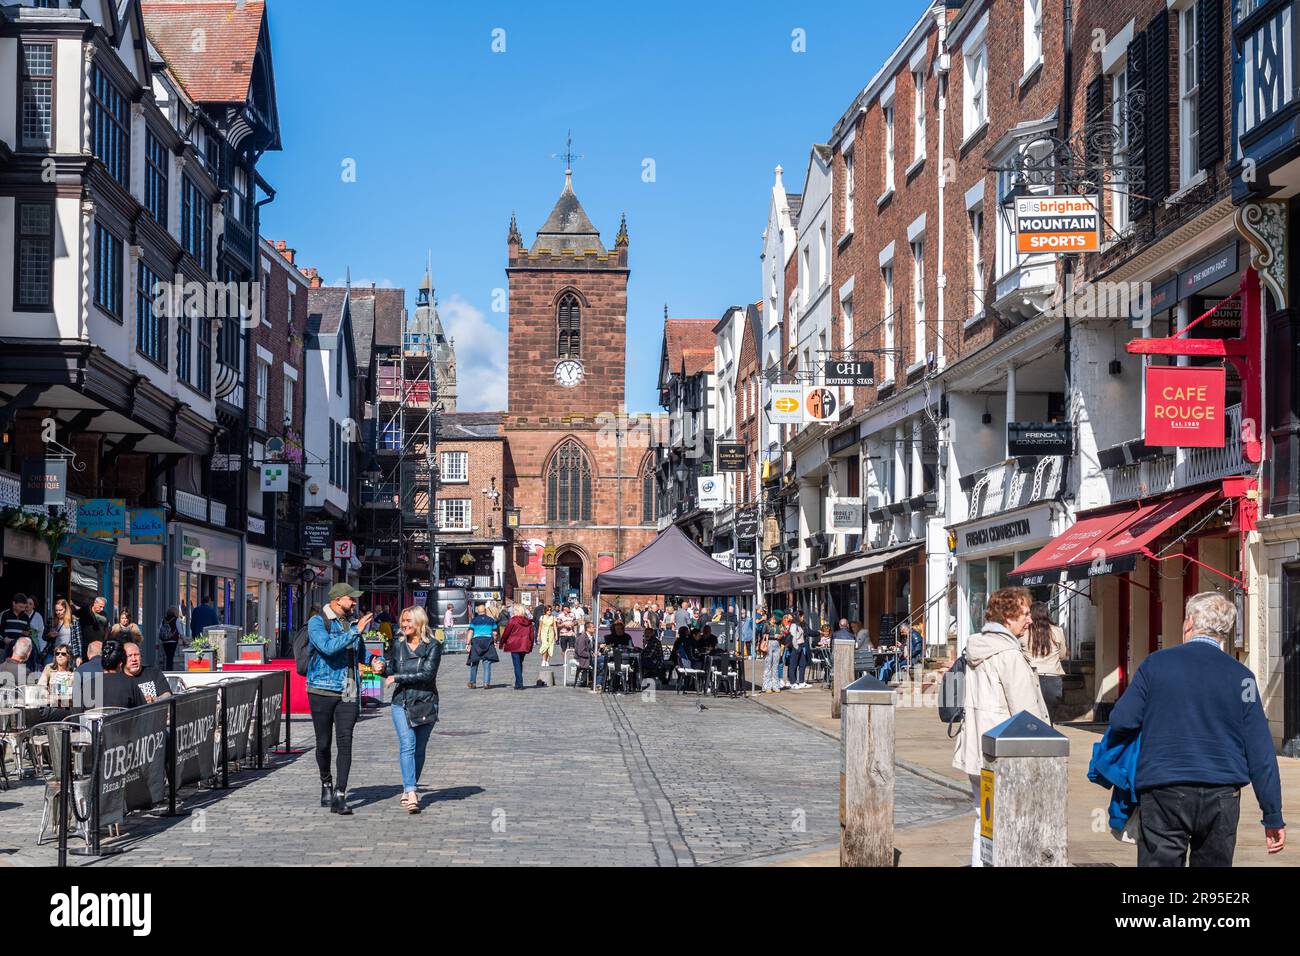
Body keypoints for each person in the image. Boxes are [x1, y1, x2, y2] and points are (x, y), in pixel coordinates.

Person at [1108, 592, 1285, 866]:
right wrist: (1272, 814)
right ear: (1225, 631)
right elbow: (1261, 752)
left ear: (1190, 622)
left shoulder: (1156, 665)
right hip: (1222, 794)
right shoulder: (1243, 678)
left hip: (1164, 788)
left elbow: (1121, 720)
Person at [952, 586, 1048, 867]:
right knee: (1012, 820)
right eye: (1025, 613)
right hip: (1007, 755)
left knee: (985, 818)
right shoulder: (1008, 654)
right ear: (1008, 615)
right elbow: (1027, 717)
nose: (1030, 620)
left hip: (978, 750)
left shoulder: (976, 647)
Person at [306, 583, 383, 816]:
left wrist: (373, 661)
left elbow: (357, 651)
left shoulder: (350, 624)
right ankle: (326, 782)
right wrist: (355, 630)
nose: (354, 603)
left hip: (349, 690)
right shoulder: (318, 622)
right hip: (321, 689)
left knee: (346, 742)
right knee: (323, 743)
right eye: (351, 599)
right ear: (338, 600)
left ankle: (340, 793)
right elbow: (328, 648)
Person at [385, 605, 443, 813]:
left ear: (419, 622)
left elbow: (428, 675)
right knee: (407, 744)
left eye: (409, 621)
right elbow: (392, 669)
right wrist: (382, 668)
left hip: (425, 701)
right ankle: (411, 791)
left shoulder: (433, 646)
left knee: (419, 749)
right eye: (403, 621)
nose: (404, 624)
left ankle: (409, 785)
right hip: (401, 702)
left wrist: (396, 677)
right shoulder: (398, 645)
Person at [1023, 602, 1069, 724]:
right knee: (1048, 720)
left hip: (1030, 677)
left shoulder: (1025, 632)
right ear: (1047, 614)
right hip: (1052, 678)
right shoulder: (1057, 631)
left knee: (1031, 720)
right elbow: (1063, 655)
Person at [97, 640, 145, 709]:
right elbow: (142, 712)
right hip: (123, 719)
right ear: (120, 663)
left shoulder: (87, 685)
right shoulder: (129, 683)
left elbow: (77, 715)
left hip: (94, 719)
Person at [501, 604, 535, 690]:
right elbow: (531, 635)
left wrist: (502, 642)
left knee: (517, 664)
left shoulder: (513, 620)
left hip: (514, 644)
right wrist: (530, 645)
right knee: (519, 663)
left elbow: (506, 632)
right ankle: (517, 682)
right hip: (524, 644)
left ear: (516, 611)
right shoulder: (528, 621)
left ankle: (519, 683)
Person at [466, 603, 499, 689]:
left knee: (474, 663)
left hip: (476, 642)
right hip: (488, 641)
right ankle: (486, 683)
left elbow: (470, 632)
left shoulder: (474, 620)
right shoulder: (491, 620)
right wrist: (495, 641)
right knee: (487, 663)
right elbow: (495, 633)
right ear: (485, 611)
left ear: (477, 611)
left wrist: (468, 643)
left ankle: (472, 683)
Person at [1, 593, 33, 658]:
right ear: (14, 603)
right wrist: (5, 638)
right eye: (20, 607)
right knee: (5, 667)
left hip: (20, 650)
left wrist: (28, 633)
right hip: (5, 647)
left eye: (24, 607)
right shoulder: (5, 614)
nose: (22, 609)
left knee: (20, 668)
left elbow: (29, 631)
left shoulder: (26, 617)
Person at [762, 616, 784, 693]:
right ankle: (767, 686)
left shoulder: (778, 626)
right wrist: (773, 636)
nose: (776, 620)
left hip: (777, 644)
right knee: (768, 666)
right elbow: (763, 635)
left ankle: (775, 685)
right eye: (774, 619)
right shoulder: (766, 624)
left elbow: (781, 635)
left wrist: (781, 635)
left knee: (775, 666)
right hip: (769, 644)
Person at [786, 613, 807, 688]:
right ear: (798, 617)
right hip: (796, 646)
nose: (803, 618)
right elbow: (793, 637)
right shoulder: (794, 625)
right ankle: (792, 682)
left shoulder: (798, 625)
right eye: (802, 617)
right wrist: (796, 647)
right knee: (793, 665)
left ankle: (801, 682)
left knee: (803, 664)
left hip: (801, 645)